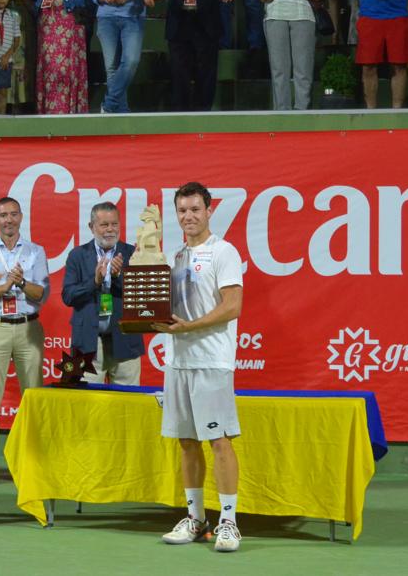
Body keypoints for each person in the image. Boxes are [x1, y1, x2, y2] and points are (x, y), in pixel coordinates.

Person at [153, 182, 245, 554]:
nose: (188, 216)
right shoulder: (174, 257)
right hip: (178, 362)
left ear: (209, 211)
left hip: (211, 361)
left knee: (218, 442)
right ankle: (195, 518)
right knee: (187, 442)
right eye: (182, 210)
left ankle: (229, 522)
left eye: (195, 209)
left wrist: (189, 328)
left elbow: (233, 305)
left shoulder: (224, 252)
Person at [0, 198, 49, 487]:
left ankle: (33, 460)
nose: (9, 220)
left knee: (33, 399)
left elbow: (41, 293)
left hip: (28, 327)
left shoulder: (35, 251)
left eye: (13, 214)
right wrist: (0, 286)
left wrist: (20, 283)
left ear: (21, 217)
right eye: (3, 215)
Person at [60, 202, 145, 385]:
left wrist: (117, 277)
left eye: (114, 224)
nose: (110, 230)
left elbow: (142, 298)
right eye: (104, 225)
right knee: (87, 404)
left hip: (125, 341)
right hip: (88, 343)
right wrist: (95, 282)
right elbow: (68, 296)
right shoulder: (77, 255)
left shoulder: (133, 254)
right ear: (92, 227)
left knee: (126, 404)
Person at [31, 0, 91, 114]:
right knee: (50, 68)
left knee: (65, 67)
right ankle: (49, 109)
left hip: (67, 21)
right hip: (47, 24)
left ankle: (66, 109)